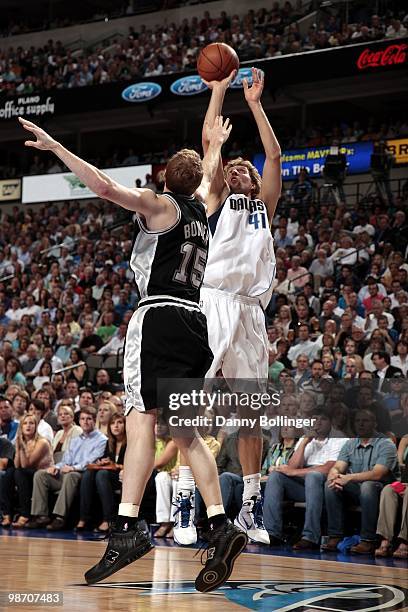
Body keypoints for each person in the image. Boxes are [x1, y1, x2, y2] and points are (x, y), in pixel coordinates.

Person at [18, 113, 247, 592]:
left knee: (140, 420)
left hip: (159, 317)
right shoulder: (202, 210)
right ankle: (222, 524)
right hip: (195, 324)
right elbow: (208, 176)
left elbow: (102, 186)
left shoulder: (160, 206)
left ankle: (127, 527)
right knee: (184, 436)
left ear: (164, 179)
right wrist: (216, 141)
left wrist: (57, 146)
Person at [197, 67, 281, 545]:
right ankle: (190, 502)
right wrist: (218, 93)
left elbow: (273, 153)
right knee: (196, 405)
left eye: (243, 169)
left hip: (249, 311)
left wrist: (253, 103)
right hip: (213, 302)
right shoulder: (215, 202)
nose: (237, 169)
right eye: (231, 169)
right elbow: (210, 148)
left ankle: (250, 507)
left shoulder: (264, 205)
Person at [264, 409, 346, 550]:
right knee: (276, 476)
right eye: (315, 418)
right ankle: (272, 533)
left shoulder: (339, 438)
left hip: (326, 483)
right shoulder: (305, 438)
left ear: (330, 422)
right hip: (304, 483)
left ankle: (310, 536)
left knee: (313, 476)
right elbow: (292, 466)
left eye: (323, 419)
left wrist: (294, 472)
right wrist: (304, 442)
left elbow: (328, 468)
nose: (318, 422)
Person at [323, 409, 400, 554]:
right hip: (357, 488)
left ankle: (368, 540)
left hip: (383, 490)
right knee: (330, 486)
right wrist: (334, 475)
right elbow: (338, 466)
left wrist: (348, 477)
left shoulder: (385, 444)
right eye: (358, 421)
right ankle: (335, 536)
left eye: (365, 421)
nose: (361, 424)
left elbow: (378, 474)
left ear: (374, 423)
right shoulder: (350, 444)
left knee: (368, 486)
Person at [25, 406, 106, 530]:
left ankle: (60, 517)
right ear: (79, 421)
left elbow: (92, 461)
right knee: (41, 475)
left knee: (71, 475)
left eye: (89, 419)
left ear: (95, 421)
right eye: (83, 419)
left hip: (85, 475)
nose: (85, 421)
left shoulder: (101, 440)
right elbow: (65, 461)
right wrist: (55, 467)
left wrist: (73, 468)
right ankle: (41, 516)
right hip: (67, 473)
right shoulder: (75, 440)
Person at [76, 413, 127, 533]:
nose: (116, 426)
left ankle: (108, 520)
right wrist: (102, 462)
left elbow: (135, 464)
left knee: (101, 474)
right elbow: (107, 460)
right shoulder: (109, 442)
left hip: (124, 476)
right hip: (109, 475)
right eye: (113, 424)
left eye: (119, 423)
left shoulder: (130, 442)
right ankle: (83, 518)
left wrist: (116, 465)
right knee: (89, 473)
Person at [11, 414, 53, 528]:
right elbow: (16, 465)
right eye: (25, 423)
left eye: (31, 423)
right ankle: (7, 513)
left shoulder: (42, 442)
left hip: (44, 475)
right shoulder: (21, 441)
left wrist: (21, 447)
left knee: (20, 473)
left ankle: (25, 514)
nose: (28, 426)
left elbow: (26, 465)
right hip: (30, 474)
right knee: (11, 473)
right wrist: (19, 446)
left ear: (36, 426)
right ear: (21, 427)